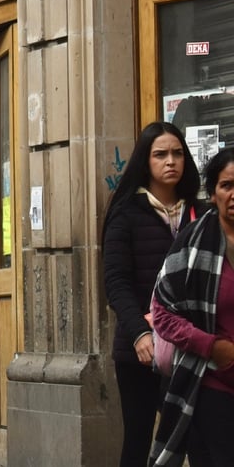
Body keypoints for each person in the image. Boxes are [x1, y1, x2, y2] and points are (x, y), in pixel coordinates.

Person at [103, 121, 204, 467]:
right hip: (141, 350)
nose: (170, 161)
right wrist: (140, 333)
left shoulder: (201, 214)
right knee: (139, 437)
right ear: (145, 161)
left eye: (177, 153)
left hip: (195, 345)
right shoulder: (126, 213)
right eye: (160, 154)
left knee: (201, 436)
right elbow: (116, 282)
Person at [150, 146, 234, 466]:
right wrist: (211, 347)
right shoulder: (193, 242)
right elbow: (162, 311)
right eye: (227, 186)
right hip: (211, 385)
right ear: (213, 193)